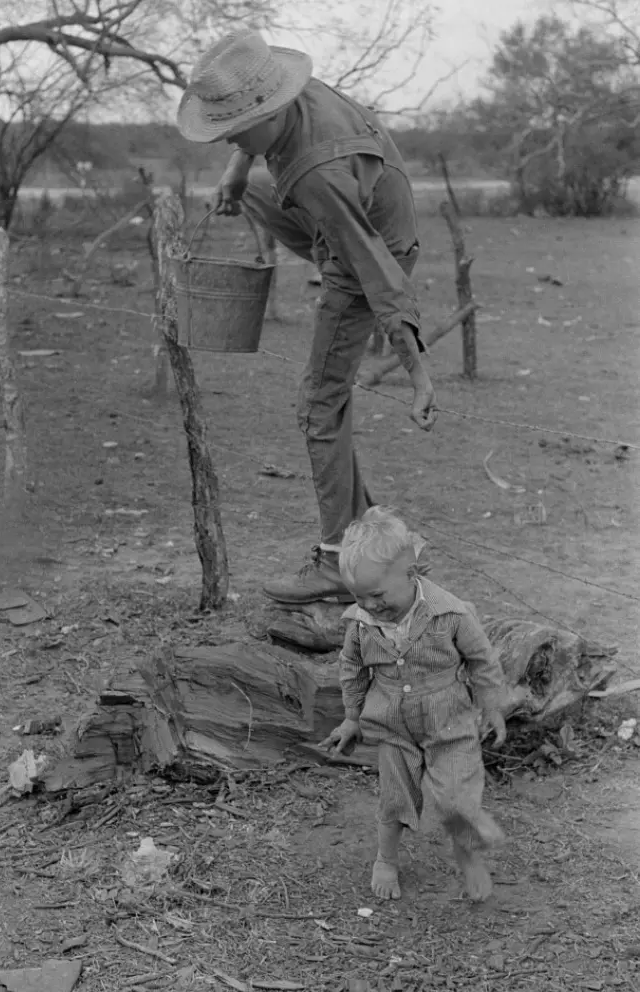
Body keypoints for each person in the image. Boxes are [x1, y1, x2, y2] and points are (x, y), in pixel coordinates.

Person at [178, 29, 437, 605]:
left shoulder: (315, 173)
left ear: (268, 112)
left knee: (318, 405)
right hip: (353, 221)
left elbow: (376, 270)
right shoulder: (294, 98)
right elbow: (258, 135)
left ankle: (336, 566)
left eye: (235, 134)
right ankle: (376, 553)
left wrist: (416, 371)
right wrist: (238, 172)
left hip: (366, 254)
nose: (231, 141)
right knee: (245, 193)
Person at [320, 507, 507, 903]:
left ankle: (469, 855)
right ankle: (385, 859)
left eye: (377, 595)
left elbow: (482, 661)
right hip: (392, 724)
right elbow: (352, 669)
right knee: (394, 797)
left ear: (411, 575)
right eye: (358, 596)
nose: (369, 605)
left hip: (449, 721)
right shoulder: (360, 623)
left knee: (457, 797)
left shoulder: (451, 613)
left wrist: (492, 707)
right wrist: (352, 718)